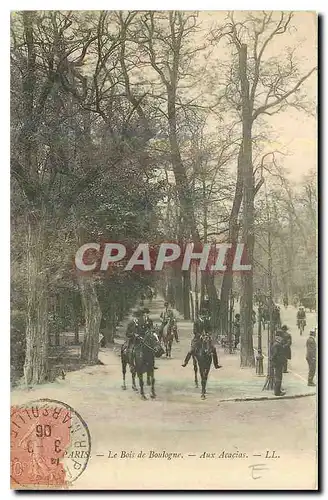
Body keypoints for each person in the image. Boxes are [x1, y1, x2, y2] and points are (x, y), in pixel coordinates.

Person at [271, 331, 286, 396]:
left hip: (278, 363)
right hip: (278, 363)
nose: (282, 339)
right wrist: (274, 361)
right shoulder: (277, 345)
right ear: (278, 338)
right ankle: (277, 392)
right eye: (281, 337)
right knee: (278, 377)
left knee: (279, 377)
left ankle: (278, 390)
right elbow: (274, 354)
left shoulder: (277, 344)